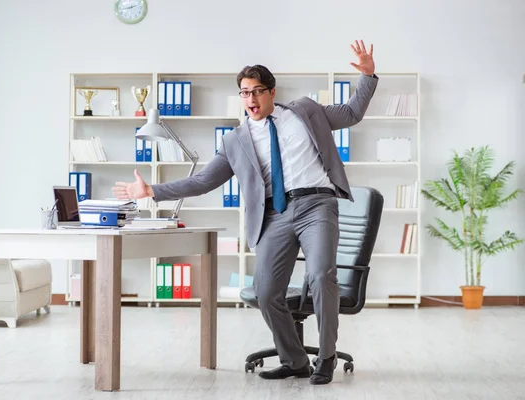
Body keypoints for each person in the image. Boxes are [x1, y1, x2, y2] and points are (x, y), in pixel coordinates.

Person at [112, 40, 378, 385]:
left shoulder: (305, 111)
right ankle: (295, 359)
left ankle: (325, 357)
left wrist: (368, 75)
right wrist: (152, 192)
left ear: (272, 92)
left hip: (317, 204)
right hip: (276, 214)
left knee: (321, 275)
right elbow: (205, 181)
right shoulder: (235, 140)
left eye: (257, 91)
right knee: (267, 292)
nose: (250, 100)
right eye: (244, 93)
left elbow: (352, 113)